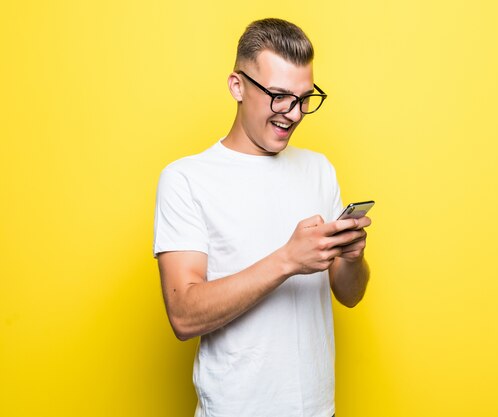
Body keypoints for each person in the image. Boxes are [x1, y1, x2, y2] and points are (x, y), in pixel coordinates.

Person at [153, 17, 371, 417]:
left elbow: (349, 295)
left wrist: (353, 258)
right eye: (279, 96)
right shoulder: (186, 180)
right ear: (237, 86)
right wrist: (288, 260)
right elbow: (183, 315)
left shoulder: (319, 169)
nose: (293, 113)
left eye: (304, 98)